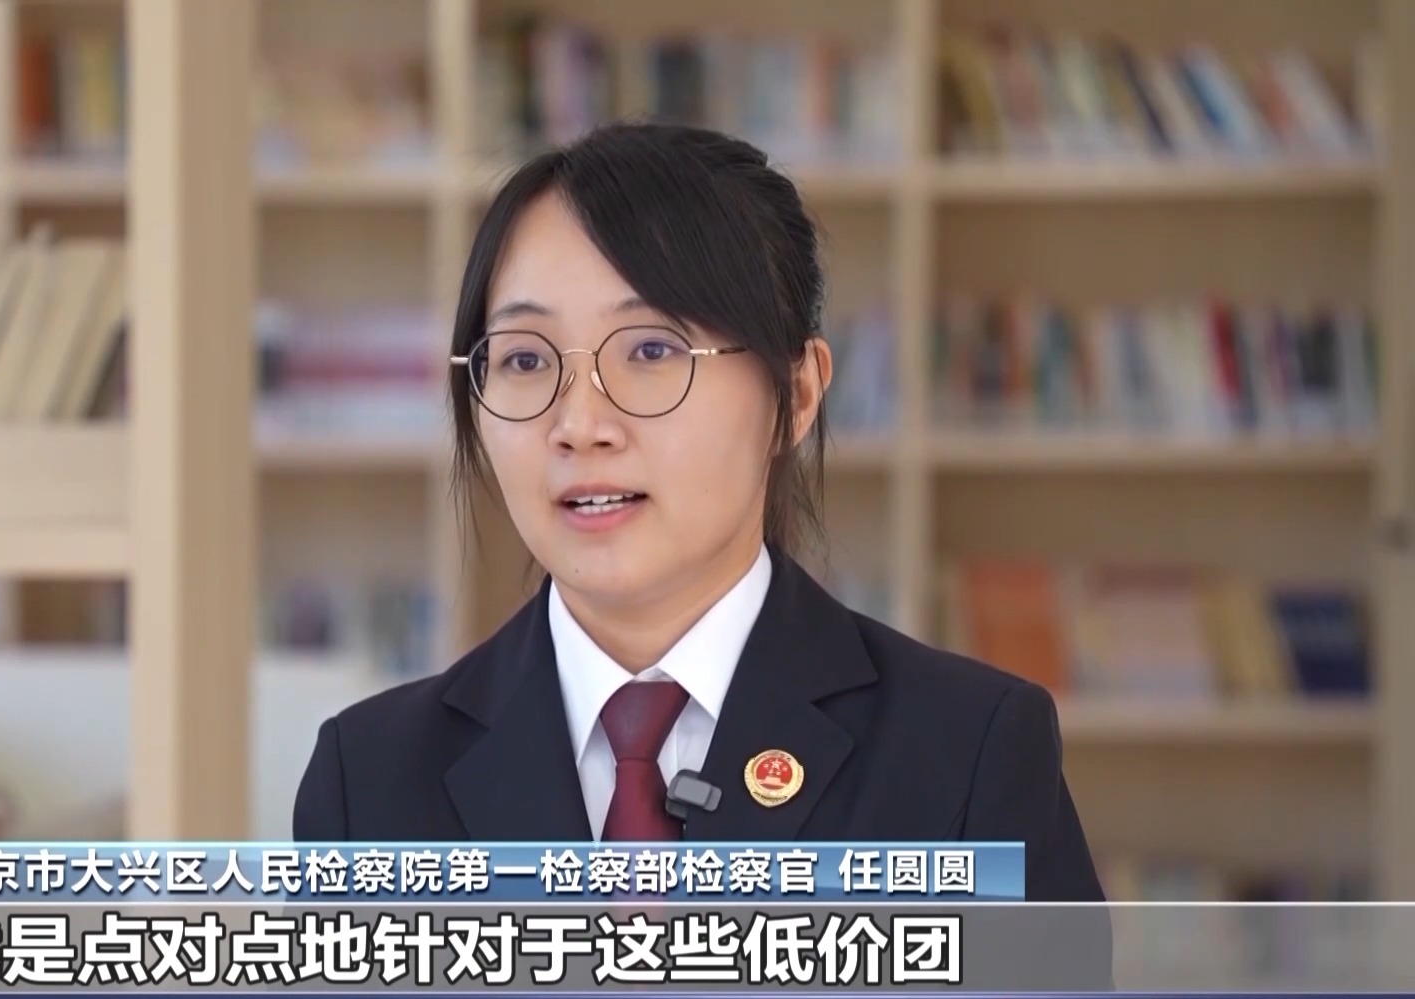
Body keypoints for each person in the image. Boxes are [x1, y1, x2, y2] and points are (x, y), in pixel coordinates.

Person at [292, 122, 1106, 909]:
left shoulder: (968, 757)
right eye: (526, 358)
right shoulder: (367, 784)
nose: (580, 424)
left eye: (651, 350)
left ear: (796, 395)